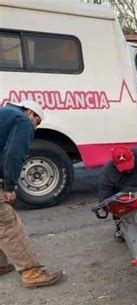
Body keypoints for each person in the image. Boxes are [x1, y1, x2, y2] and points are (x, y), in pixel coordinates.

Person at [0, 100, 64, 288]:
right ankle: (32, 273)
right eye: (37, 123)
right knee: (8, 224)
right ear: (31, 113)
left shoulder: (6, 114)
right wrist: (9, 186)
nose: (34, 128)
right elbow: (14, 154)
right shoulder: (23, 120)